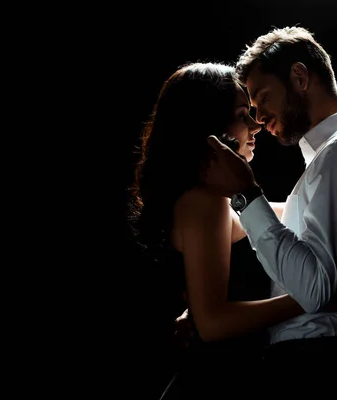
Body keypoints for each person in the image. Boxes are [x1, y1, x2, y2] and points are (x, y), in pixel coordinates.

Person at [203, 25, 337, 369]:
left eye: (264, 98)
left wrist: (247, 193)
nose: (259, 119)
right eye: (251, 109)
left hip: (321, 359)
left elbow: (314, 291)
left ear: (299, 77)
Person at [130, 62, 307, 399]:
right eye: (243, 114)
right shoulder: (203, 204)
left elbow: (297, 210)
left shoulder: (214, 200)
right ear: (208, 126)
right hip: (211, 384)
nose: (256, 125)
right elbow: (212, 323)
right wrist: (308, 300)